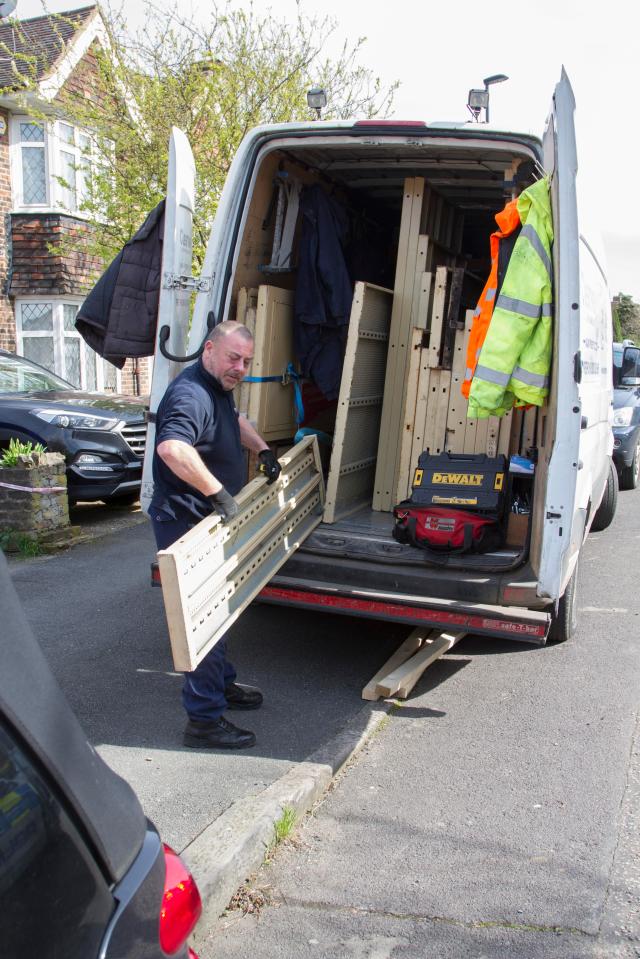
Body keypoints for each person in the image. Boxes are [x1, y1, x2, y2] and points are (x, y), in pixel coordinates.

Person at [150, 321, 281, 749]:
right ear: (209, 349)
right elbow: (172, 449)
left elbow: (233, 421)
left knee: (219, 613)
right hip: (187, 523)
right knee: (201, 619)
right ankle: (204, 722)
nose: (240, 367)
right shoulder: (190, 394)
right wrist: (219, 493)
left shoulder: (217, 388)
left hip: (208, 520)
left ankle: (220, 684)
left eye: (246, 361)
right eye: (232, 358)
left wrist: (261, 448)